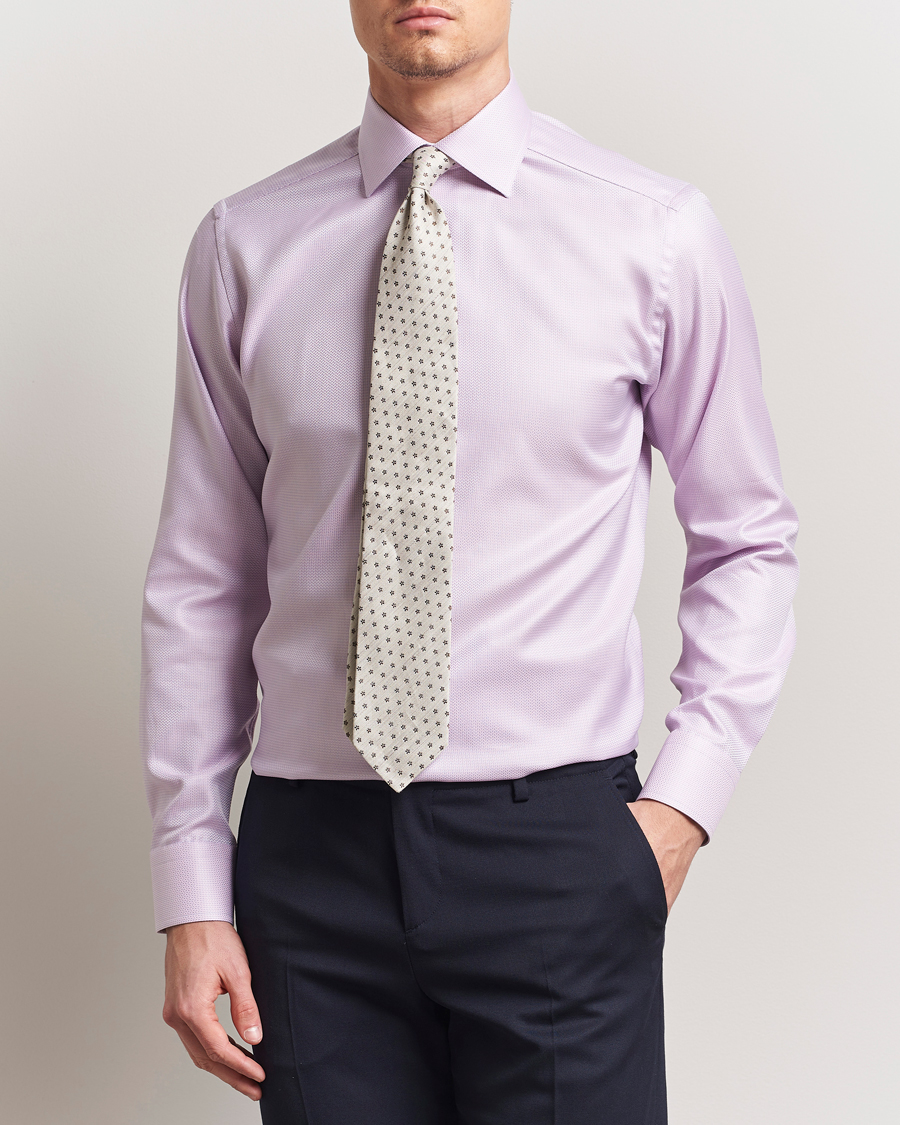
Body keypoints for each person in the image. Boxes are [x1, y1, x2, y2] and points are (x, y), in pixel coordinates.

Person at [141, 2, 799, 1122]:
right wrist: (191, 884)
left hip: (560, 851)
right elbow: (204, 579)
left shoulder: (653, 235)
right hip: (311, 865)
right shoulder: (244, 244)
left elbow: (748, 537)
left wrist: (680, 810)